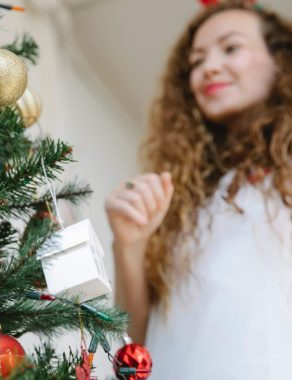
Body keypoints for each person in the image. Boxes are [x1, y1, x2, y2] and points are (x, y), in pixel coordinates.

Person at [105, 1, 292, 378]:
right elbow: (134, 342)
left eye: (231, 48)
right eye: (196, 62)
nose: (208, 68)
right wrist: (130, 243)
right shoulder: (182, 194)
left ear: (280, 62)